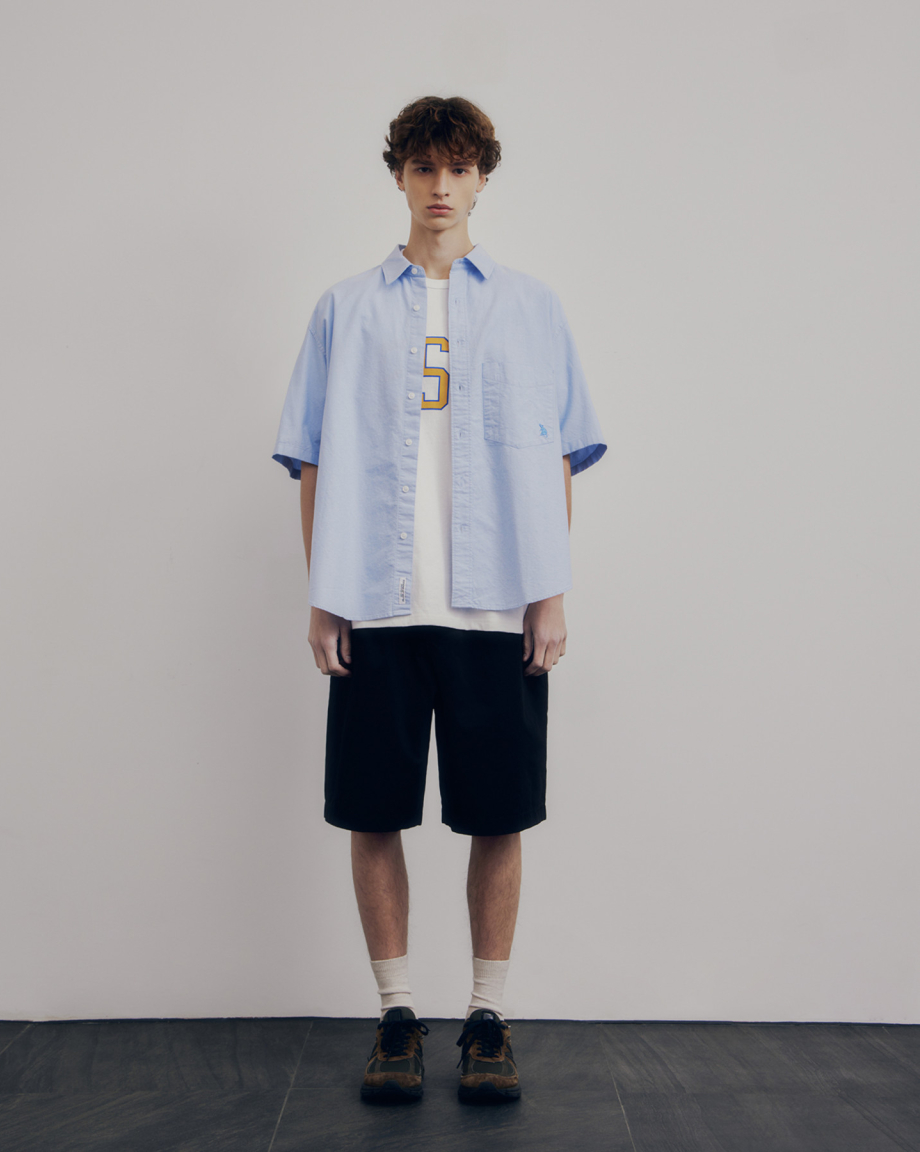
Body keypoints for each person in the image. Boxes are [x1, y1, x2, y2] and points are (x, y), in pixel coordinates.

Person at [272, 95, 607, 1104]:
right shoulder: (343, 309)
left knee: (497, 816)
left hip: (496, 607)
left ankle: (488, 1016)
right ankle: (396, 1014)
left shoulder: (532, 307)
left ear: (482, 178)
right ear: (399, 177)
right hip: (375, 605)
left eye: (458, 168)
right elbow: (312, 460)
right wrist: (324, 598)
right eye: (423, 167)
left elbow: (557, 457)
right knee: (373, 812)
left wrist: (550, 596)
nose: (441, 187)